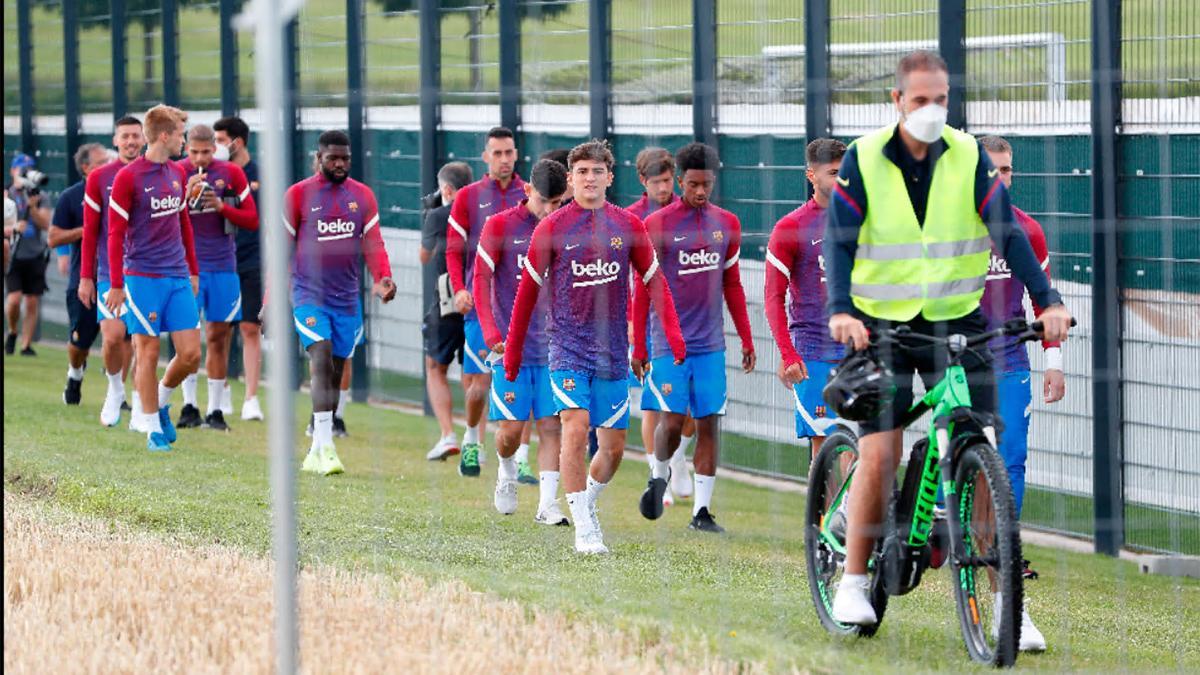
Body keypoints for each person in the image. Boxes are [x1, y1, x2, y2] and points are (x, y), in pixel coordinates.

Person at [822, 51, 1073, 627]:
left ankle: (1007, 598)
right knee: (879, 453)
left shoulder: (968, 155)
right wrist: (840, 310)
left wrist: (1049, 302)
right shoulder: (863, 157)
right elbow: (839, 240)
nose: (932, 110)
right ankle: (853, 581)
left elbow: (1006, 230)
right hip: (877, 323)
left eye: (941, 100)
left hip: (955, 322)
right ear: (897, 101)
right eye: (920, 101)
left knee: (983, 452)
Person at [504, 139, 687, 555]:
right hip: (567, 348)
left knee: (614, 447)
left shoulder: (628, 226)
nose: (590, 178)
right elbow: (527, 294)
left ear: (610, 177)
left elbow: (655, 282)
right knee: (575, 426)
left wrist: (673, 337)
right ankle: (584, 526)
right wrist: (513, 353)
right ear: (570, 179)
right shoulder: (551, 227)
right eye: (582, 171)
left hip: (611, 355)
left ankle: (587, 501)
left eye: (597, 171)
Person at [631, 142, 756, 533]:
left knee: (708, 422)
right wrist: (638, 344)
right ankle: (658, 474)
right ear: (680, 181)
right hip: (669, 342)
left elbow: (732, 285)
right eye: (694, 184)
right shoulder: (658, 225)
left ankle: (701, 512)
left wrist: (746, 338)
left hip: (711, 345)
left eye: (708, 184)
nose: (701, 192)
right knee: (670, 419)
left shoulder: (728, 224)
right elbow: (642, 287)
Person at [975, 134, 1065, 651]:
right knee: (966, 473)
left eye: (1008, 171)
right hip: (958, 364)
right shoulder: (950, 228)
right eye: (993, 171)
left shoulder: (1028, 230)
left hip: (1011, 365)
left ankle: (1009, 606)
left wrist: (1053, 362)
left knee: (1008, 471)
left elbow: (1043, 300)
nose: (1002, 180)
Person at [286, 130, 396, 475]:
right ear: (318, 158)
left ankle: (318, 442)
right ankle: (326, 446)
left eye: (345, 158)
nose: (339, 164)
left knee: (335, 370)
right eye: (332, 158)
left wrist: (383, 279)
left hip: (347, 299)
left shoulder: (362, 196)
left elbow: (373, 243)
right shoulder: (298, 195)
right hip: (308, 295)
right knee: (319, 356)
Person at [474, 158, 569, 524]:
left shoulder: (566, 229)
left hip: (554, 349)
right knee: (510, 433)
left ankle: (548, 504)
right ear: (528, 191)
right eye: (545, 201)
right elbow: (480, 280)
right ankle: (506, 469)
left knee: (551, 425)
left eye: (558, 203)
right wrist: (491, 332)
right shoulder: (499, 226)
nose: (550, 210)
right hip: (509, 348)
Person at [104, 104, 203, 451]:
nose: (184, 141)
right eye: (180, 134)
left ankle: (160, 401)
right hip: (142, 277)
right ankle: (151, 430)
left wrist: (193, 269)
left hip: (177, 275)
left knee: (191, 354)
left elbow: (184, 223)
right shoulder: (129, 177)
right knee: (146, 351)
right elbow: (114, 235)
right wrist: (116, 283)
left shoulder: (177, 172)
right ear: (164, 135)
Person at [445, 126, 526, 477]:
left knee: (525, 383)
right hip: (480, 306)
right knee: (478, 385)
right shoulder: (468, 197)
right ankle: (472, 441)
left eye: (509, 152)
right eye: (498, 153)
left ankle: (521, 457)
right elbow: (453, 249)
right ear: (485, 157)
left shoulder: (529, 193)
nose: (504, 159)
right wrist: (459, 287)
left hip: (522, 308)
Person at [765, 139, 848, 456]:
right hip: (814, 351)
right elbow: (773, 297)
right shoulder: (791, 227)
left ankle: (850, 508)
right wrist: (787, 354)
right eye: (834, 173)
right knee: (827, 445)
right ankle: (827, 509)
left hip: (860, 351)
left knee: (863, 446)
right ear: (811, 175)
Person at [175, 124, 259, 431]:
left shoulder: (232, 174)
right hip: (186, 267)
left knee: (218, 336)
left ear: (216, 148)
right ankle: (188, 405)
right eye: (194, 152)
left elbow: (251, 218)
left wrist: (222, 206)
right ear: (186, 149)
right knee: (186, 336)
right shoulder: (175, 171)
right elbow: (161, 217)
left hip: (223, 265)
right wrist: (186, 194)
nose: (200, 158)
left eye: (206, 151)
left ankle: (215, 410)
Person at [626, 146, 694, 505]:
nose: (664, 188)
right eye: (656, 182)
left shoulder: (689, 211)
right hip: (649, 322)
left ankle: (678, 456)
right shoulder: (632, 219)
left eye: (668, 181)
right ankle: (658, 475)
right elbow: (627, 278)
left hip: (690, 321)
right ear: (643, 181)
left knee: (692, 410)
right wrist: (630, 325)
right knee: (654, 403)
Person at [79, 115, 146, 427]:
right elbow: (91, 232)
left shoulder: (156, 172)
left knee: (140, 341)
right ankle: (114, 390)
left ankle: (140, 403)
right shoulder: (99, 177)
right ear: (115, 140)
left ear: (144, 138)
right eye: (125, 136)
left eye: (136, 135)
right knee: (112, 336)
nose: (131, 141)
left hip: (148, 272)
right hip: (110, 271)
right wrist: (85, 277)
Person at [48, 142, 110, 404]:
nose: (108, 166)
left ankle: (116, 395)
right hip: (84, 279)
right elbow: (53, 238)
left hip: (117, 278)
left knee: (118, 337)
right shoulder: (71, 197)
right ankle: (75, 374)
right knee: (80, 342)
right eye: (101, 163)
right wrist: (86, 230)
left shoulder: (119, 191)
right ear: (86, 168)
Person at [214, 115, 265, 421]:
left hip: (252, 257)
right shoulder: (214, 173)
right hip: (220, 260)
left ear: (238, 142)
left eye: (220, 141)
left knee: (250, 327)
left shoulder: (260, 175)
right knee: (220, 330)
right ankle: (221, 394)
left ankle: (251, 398)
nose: (216, 147)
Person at [422, 161, 473, 461]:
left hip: (446, 299)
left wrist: (429, 216)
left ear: (447, 189)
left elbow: (424, 255)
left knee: (435, 367)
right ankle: (472, 436)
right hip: (477, 297)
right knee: (473, 371)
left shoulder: (439, 215)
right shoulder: (482, 212)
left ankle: (447, 434)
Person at [5, 152, 52, 357]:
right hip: (13, 254)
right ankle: (13, 331)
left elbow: (45, 224)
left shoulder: (40, 197)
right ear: (13, 171)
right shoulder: (7, 195)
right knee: (14, 299)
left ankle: (26, 345)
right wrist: (14, 228)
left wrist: (32, 208)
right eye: (21, 169)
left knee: (32, 301)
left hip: (35, 254)